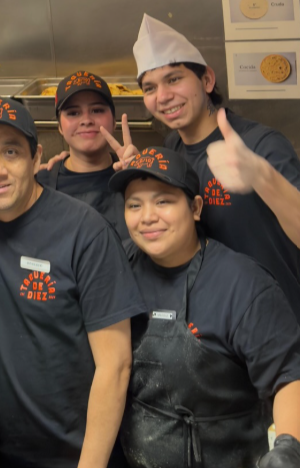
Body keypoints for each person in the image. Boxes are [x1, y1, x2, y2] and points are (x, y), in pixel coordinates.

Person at [0, 96, 146, 468]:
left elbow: (115, 365)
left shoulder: (84, 231)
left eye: (11, 152)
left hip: (76, 454)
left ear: (36, 158)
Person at [107, 146, 300, 468]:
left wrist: (289, 448)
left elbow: (289, 376)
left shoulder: (243, 284)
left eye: (163, 201)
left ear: (195, 207)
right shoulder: (118, 268)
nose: (147, 217)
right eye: (134, 205)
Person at [114, 13, 300, 321]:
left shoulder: (261, 144)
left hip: (279, 319)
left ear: (207, 80)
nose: (163, 96)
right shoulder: (172, 147)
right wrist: (143, 173)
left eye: (174, 79)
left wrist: (262, 177)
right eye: (149, 88)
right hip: (213, 324)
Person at [36, 71, 129, 239]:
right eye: (73, 113)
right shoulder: (38, 185)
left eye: (97, 110)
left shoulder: (134, 176)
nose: (86, 120)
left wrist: (142, 178)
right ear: (60, 127)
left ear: (114, 121)